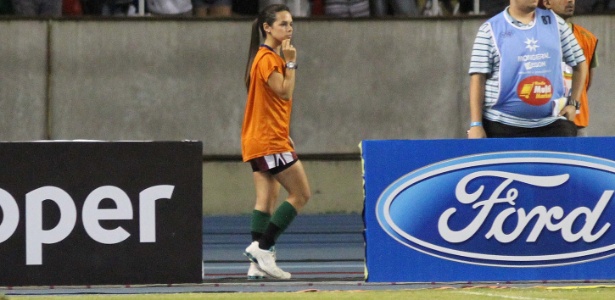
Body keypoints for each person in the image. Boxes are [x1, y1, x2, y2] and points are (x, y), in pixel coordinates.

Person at [241, 4, 311, 280]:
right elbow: (283, 92)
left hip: (259, 138)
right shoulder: (270, 58)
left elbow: (269, 103)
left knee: (266, 200)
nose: (289, 28)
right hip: (270, 141)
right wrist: (291, 62)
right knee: (301, 194)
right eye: (283, 24)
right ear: (267, 28)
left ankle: (256, 264)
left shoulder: (260, 57)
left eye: (291, 23)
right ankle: (263, 249)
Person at [467, 0, 587, 138]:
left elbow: (580, 63)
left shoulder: (555, 22)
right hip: (500, 124)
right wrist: (476, 124)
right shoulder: (490, 29)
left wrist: (573, 104)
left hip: (551, 123)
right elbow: (477, 78)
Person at [541, 0, 599, 137]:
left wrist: (573, 104)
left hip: (576, 119)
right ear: (547, 2)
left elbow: (586, 82)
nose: (570, 1)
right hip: (540, 119)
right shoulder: (533, 34)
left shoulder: (588, 38)